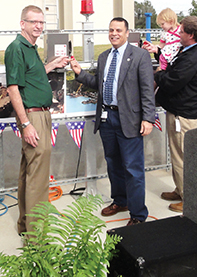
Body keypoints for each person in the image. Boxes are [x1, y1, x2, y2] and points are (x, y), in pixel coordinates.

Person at [70, 17, 155, 226]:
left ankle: (138, 215)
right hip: (107, 119)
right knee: (113, 164)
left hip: (130, 120)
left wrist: (148, 118)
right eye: (111, 30)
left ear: (127, 33)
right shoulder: (104, 56)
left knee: (133, 169)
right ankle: (120, 201)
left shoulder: (140, 56)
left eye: (118, 30)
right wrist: (80, 73)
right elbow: (99, 84)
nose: (114, 33)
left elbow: (147, 89)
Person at [5, 5, 68, 237]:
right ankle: (37, 238)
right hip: (33, 117)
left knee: (29, 173)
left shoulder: (30, 48)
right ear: (23, 24)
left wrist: (51, 65)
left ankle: (25, 226)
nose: (39, 26)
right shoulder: (16, 48)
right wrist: (26, 124)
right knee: (38, 180)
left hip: (40, 115)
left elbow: (31, 75)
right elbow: (13, 89)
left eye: (41, 22)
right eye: (34, 22)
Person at [154, 16, 197, 212]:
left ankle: (188, 198)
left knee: (181, 156)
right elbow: (173, 68)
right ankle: (180, 188)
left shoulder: (193, 57)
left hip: (183, 114)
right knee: (176, 152)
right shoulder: (191, 50)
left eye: (182, 31)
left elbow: (172, 81)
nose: (179, 33)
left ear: (191, 35)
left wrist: (158, 74)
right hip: (178, 109)